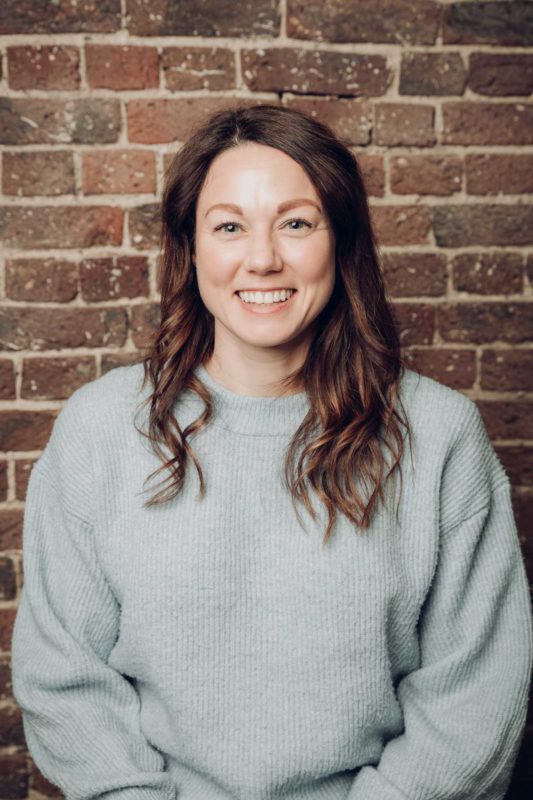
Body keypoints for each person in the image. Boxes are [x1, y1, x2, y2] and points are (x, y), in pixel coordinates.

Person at [11, 103, 532, 800]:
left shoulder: (438, 436)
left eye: (295, 222)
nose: (261, 258)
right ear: (190, 247)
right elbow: (64, 677)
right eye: (228, 226)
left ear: (338, 241)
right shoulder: (100, 430)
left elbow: (475, 692)